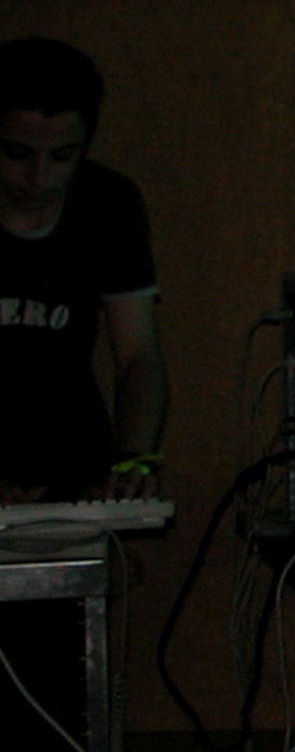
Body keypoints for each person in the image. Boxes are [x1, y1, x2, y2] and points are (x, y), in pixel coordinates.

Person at [0, 37, 167, 504]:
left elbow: (138, 354)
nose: (39, 177)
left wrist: (134, 460)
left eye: (61, 156)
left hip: (74, 469)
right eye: (17, 154)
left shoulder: (106, 203)